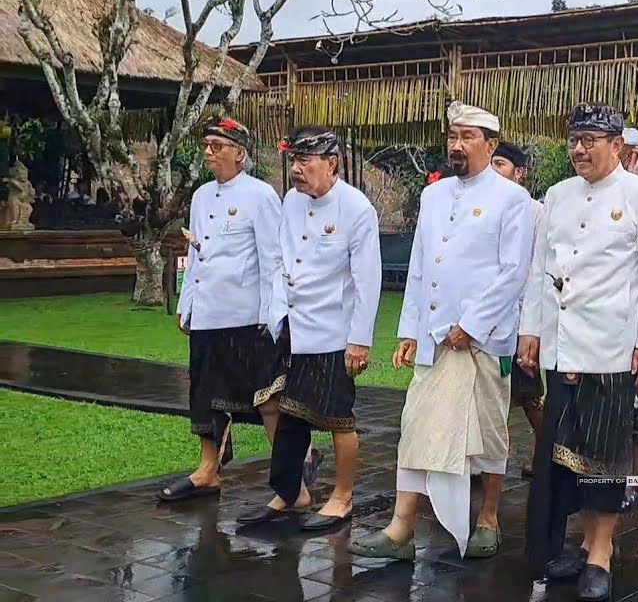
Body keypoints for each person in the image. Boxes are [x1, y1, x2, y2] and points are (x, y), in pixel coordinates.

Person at [348, 103, 533, 562]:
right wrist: (410, 330)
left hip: (483, 341)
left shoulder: (512, 199)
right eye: (453, 136)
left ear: (490, 144)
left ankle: (487, 518)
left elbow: (513, 272)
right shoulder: (433, 195)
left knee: (486, 432)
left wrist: (470, 326)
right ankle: (401, 528)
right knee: (415, 428)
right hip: (434, 335)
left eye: (468, 137)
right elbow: (420, 265)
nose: (457, 145)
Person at [519, 103, 638, 601]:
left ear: (617, 146)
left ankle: (601, 551)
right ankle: (581, 543)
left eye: (590, 141)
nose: (579, 150)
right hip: (562, 343)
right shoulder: (558, 195)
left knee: (604, 452)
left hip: (611, 344)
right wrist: (530, 329)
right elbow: (540, 268)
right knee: (566, 453)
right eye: (574, 140)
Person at [237, 126, 381, 530]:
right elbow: (283, 260)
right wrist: (274, 316)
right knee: (288, 415)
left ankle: (342, 497)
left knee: (338, 418)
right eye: (293, 161)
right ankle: (289, 492)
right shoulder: (291, 200)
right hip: (291, 326)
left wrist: (359, 341)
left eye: (305, 161)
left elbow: (367, 281)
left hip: (332, 330)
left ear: (332, 163)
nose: (296, 169)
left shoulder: (356, 209)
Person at [159, 118, 303, 502]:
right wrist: (187, 303)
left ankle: (294, 473)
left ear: (239, 153)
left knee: (267, 398)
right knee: (206, 395)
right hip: (209, 313)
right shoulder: (201, 196)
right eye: (207, 145)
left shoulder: (260, 195)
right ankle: (208, 470)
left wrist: (272, 316)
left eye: (217, 146)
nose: (208, 152)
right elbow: (196, 253)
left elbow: (273, 260)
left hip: (247, 316)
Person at [489, 141, 547, 477]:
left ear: (519, 172)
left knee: (528, 391)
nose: (494, 171)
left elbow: (538, 268)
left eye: (501, 164)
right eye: (491, 164)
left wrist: (531, 323)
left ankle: (545, 453)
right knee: (485, 391)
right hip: (486, 315)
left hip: (521, 314)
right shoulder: (482, 206)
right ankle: (482, 461)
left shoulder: (536, 212)